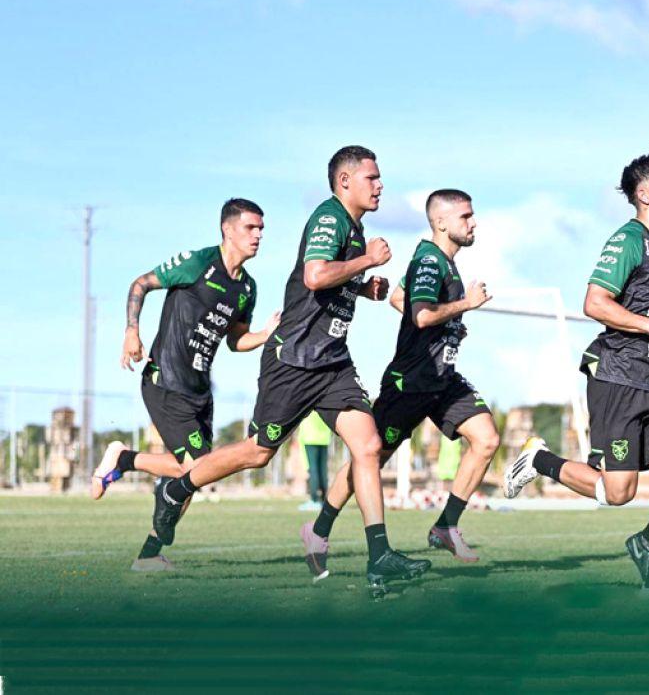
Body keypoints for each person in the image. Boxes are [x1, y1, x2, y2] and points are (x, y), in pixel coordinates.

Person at [112, 146, 431, 592]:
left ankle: (379, 557)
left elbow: (326, 284)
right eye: (371, 178)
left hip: (332, 361)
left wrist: (362, 287)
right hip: (294, 361)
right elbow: (315, 275)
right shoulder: (329, 218)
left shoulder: (353, 232)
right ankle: (177, 488)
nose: (380, 186)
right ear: (344, 181)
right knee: (258, 452)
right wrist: (367, 262)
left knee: (369, 445)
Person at [503, 148, 649, 589]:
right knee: (618, 493)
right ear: (644, 195)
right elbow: (594, 303)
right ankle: (539, 459)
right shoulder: (629, 240)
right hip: (616, 379)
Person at [304, 189, 499, 567]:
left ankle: (446, 526)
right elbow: (421, 315)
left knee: (487, 438)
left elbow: (398, 298)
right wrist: (465, 305)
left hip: (442, 379)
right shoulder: (430, 260)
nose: (473, 223)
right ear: (440, 222)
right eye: (465, 216)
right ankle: (319, 528)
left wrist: (450, 327)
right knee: (370, 458)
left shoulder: (442, 261)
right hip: (410, 382)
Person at [91, 198, 278, 571]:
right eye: (250, 227)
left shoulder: (247, 288)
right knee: (195, 470)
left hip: (200, 391)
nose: (258, 235)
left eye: (261, 229)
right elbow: (141, 283)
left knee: (192, 473)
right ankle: (127, 473)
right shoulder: (197, 263)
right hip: (165, 381)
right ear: (227, 229)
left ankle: (146, 544)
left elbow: (235, 340)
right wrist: (131, 331)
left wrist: (265, 334)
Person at [297, 411, 333, 511]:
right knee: (323, 471)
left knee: (312, 470)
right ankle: (324, 500)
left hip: (310, 437)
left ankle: (314, 500)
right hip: (324, 438)